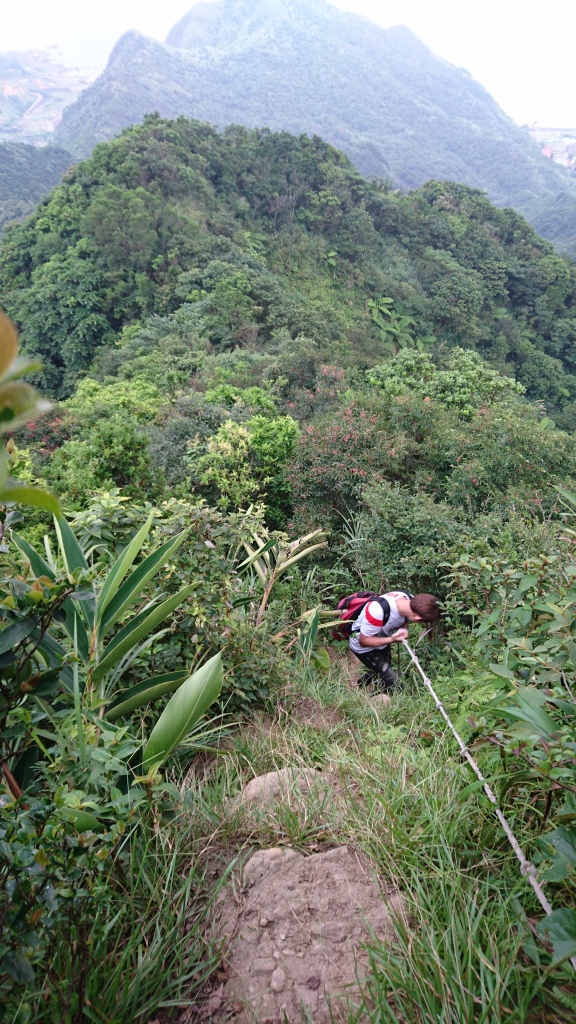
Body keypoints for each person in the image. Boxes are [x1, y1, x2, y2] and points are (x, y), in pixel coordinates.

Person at [349, 591, 441, 692]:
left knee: (382, 668)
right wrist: (392, 639)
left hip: (382, 641)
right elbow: (364, 641)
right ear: (417, 618)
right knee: (393, 682)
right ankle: (376, 700)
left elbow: (405, 618)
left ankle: (357, 686)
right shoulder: (377, 611)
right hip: (363, 647)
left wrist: (403, 629)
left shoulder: (409, 600)